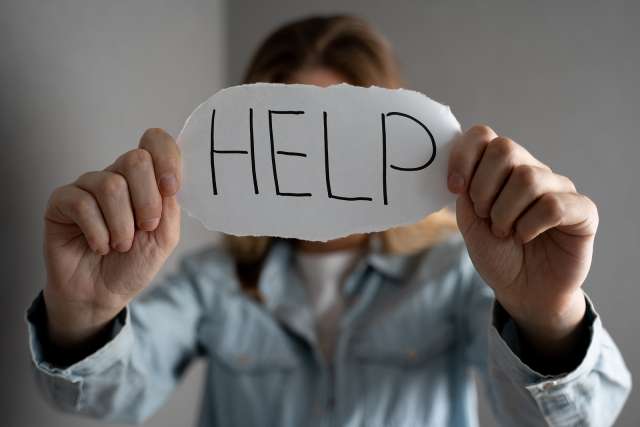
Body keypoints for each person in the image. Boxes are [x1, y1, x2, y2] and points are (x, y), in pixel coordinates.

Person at [26, 15, 630, 426]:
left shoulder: (456, 276)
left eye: (342, 143)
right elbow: (98, 395)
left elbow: (581, 414)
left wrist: (548, 318)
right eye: (292, 142)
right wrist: (81, 317)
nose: (316, 168)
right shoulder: (213, 283)